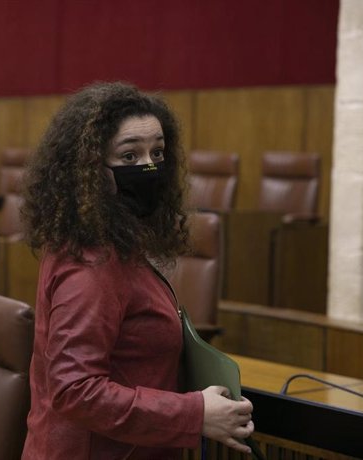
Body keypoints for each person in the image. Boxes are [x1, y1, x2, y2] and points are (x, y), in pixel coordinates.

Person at [20, 82, 254, 459]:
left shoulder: (107, 241)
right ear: (88, 169)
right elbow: (75, 390)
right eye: (129, 156)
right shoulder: (92, 263)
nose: (148, 166)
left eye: (157, 152)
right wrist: (195, 413)